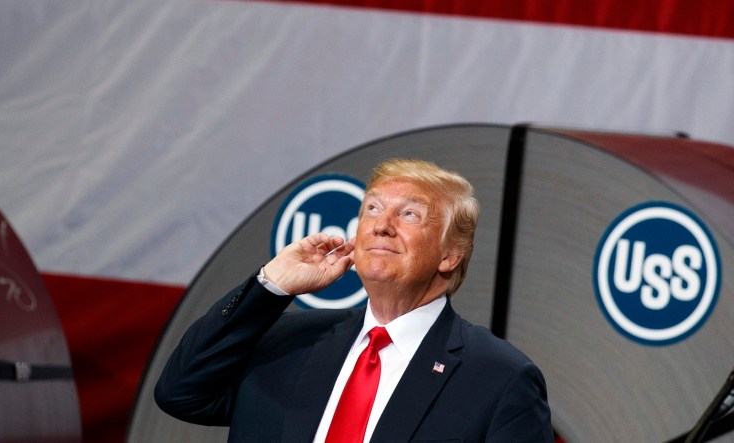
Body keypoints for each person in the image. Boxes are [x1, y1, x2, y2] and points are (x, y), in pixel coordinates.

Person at [154, 158, 553, 442]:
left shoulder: (499, 379)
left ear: (450, 255)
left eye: (409, 215)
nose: (382, 225)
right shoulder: (287, 342)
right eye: (372, 209)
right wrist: (270, 285)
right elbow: (181, 393)